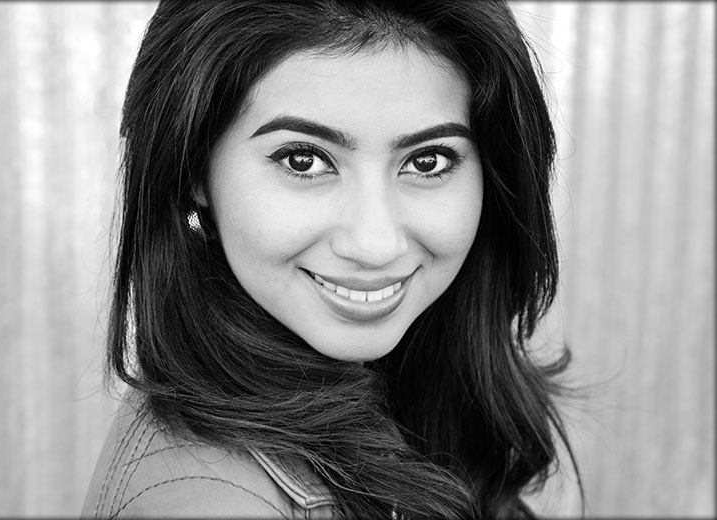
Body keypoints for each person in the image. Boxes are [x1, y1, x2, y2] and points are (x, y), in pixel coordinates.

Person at [82, 0, 581, 518]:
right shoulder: (213, 502)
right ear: (193, 171)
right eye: (304, 160)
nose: (375, 244)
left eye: (427, 161)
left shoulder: (412, 383)